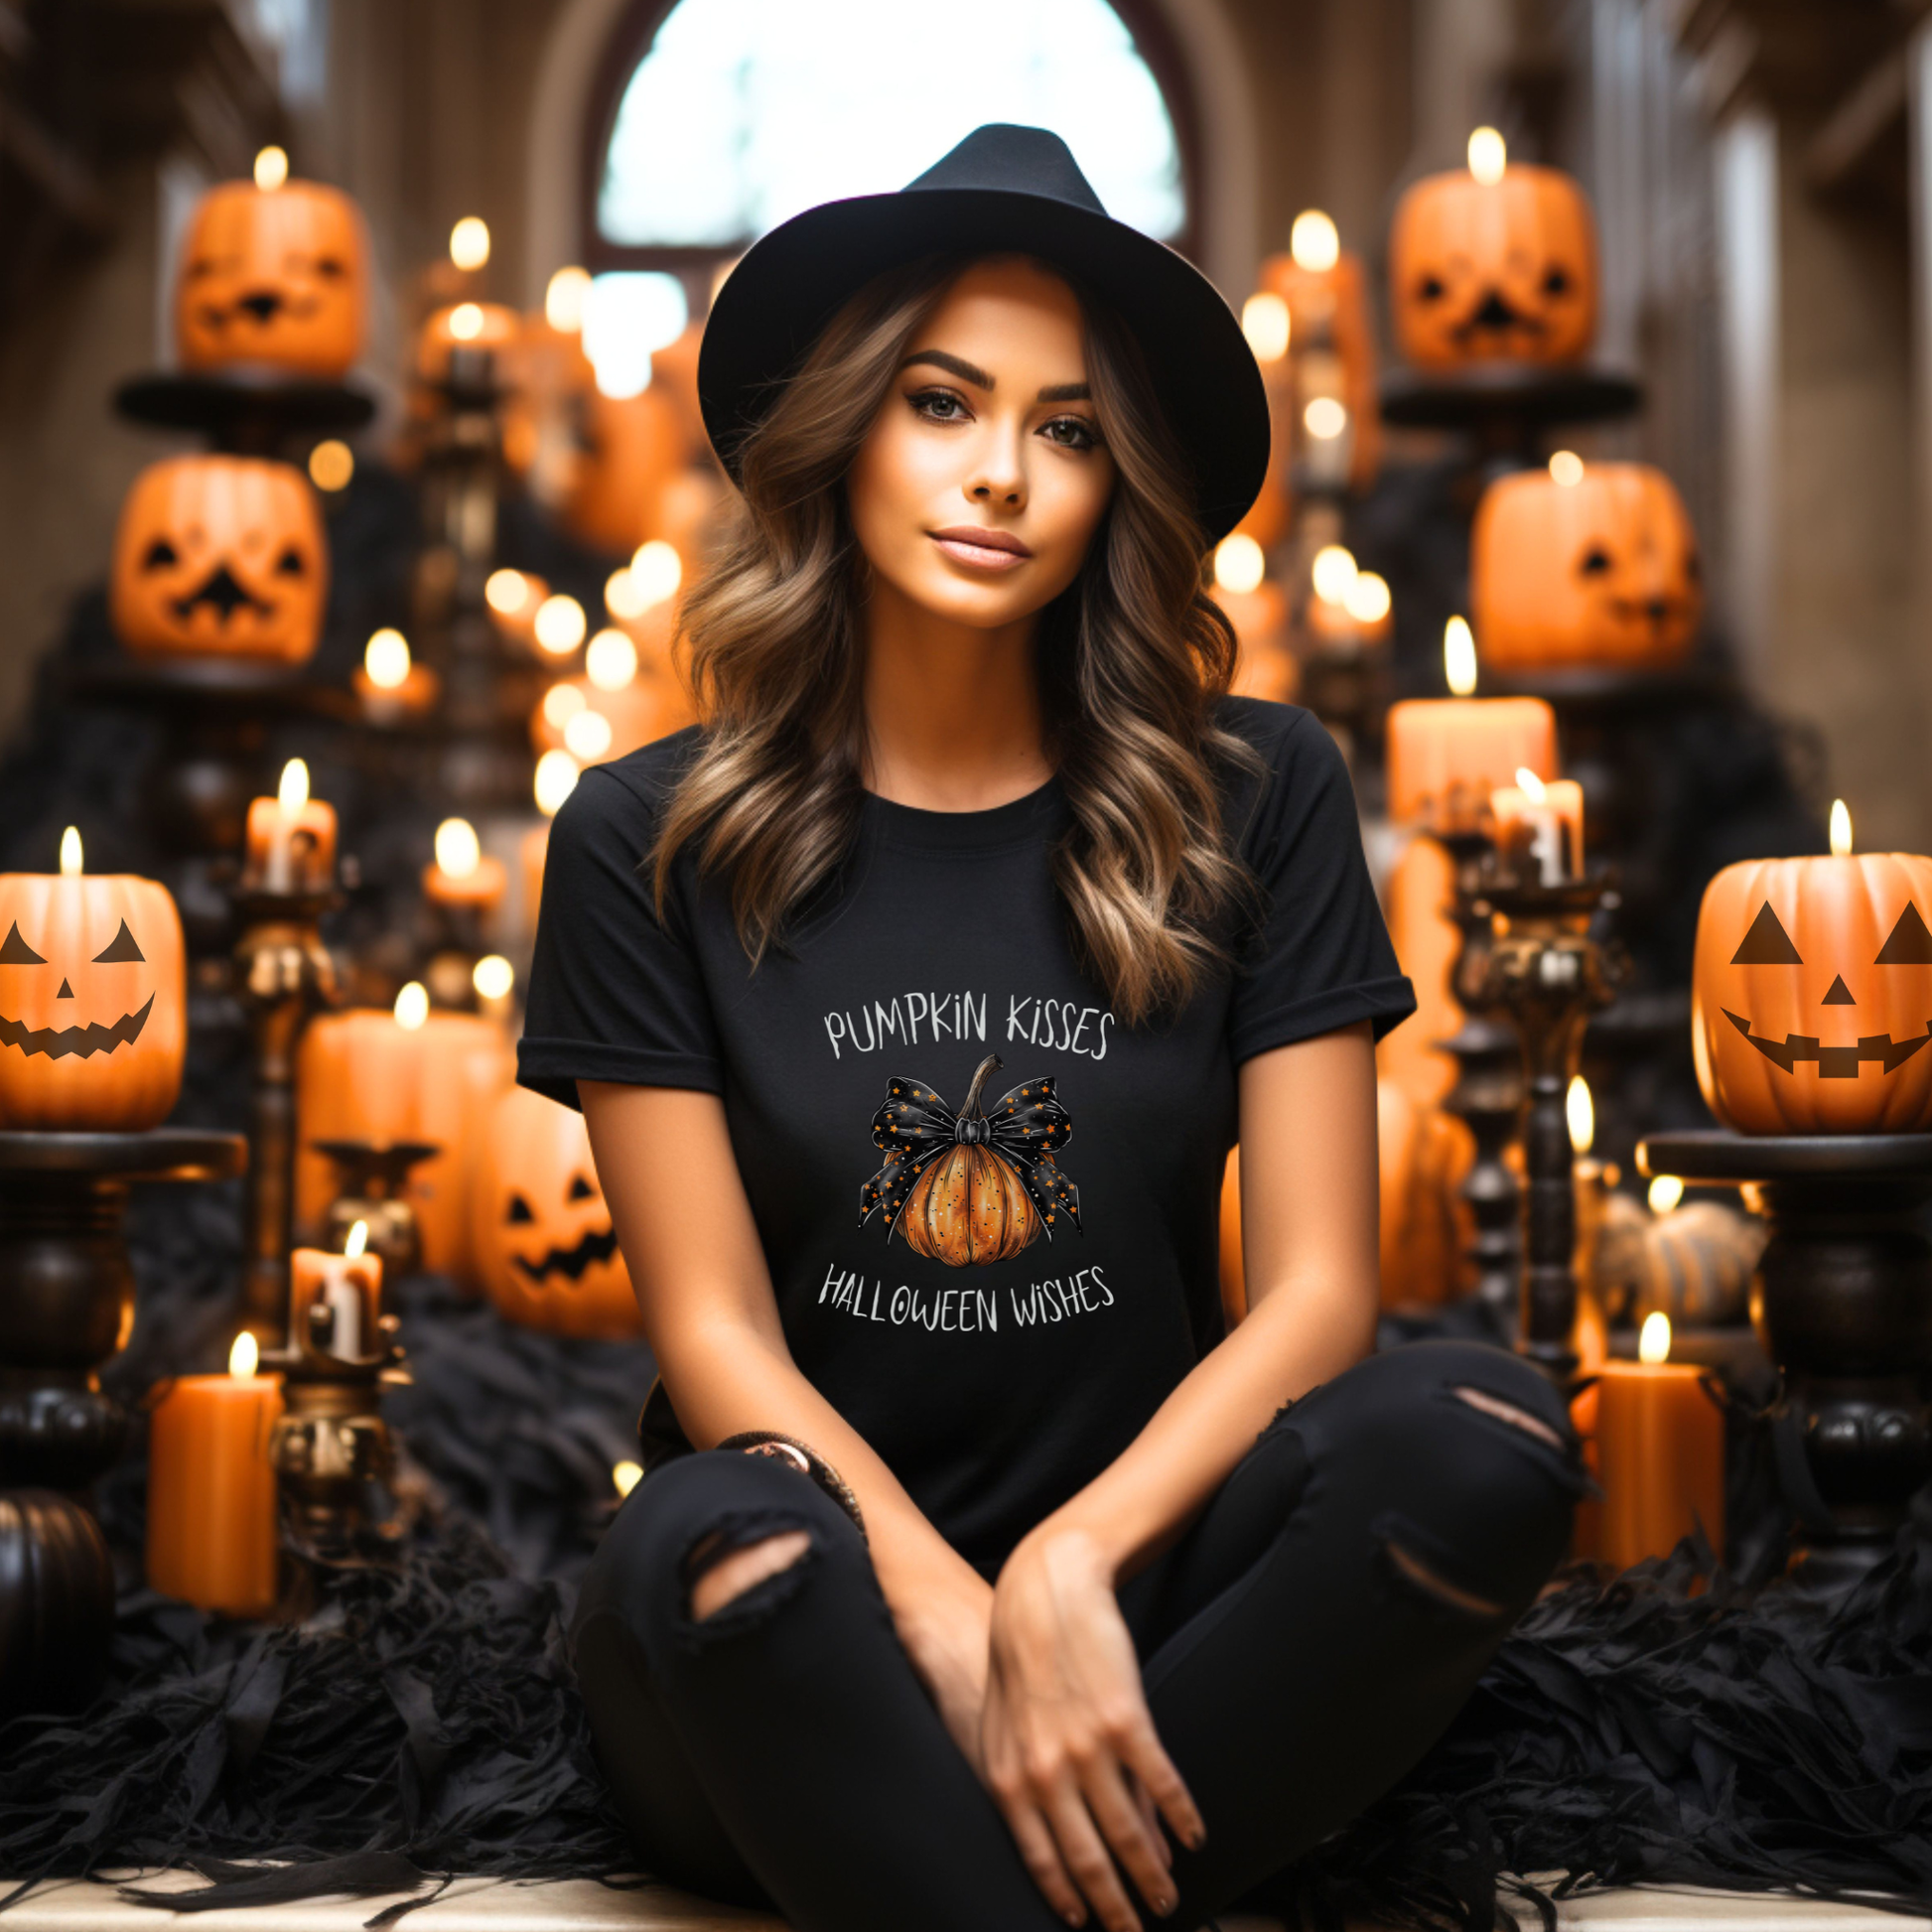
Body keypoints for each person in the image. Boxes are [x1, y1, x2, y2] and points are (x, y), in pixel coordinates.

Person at [518, 124, 1581, 1932]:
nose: (999, 473)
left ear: (1118, 482)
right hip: (809, 1608)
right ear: (842, 428)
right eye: (941, 402)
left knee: (1483, 1438)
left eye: (1067, 428)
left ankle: (930, 1872)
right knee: (706, 1543)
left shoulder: (1261, 795)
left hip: (1152, 1605)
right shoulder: (645, 836)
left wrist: (1070, 1567)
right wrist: (949, 1605)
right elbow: (713, 1333)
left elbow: (1322, 1289)